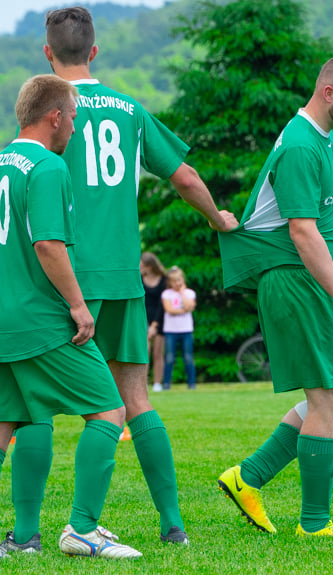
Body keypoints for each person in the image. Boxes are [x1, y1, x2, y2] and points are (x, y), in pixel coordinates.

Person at [13, 7, 238, 546]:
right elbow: (183, 176)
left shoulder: (43, 115)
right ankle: (172, 523)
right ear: (94, 51)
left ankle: (32, 532)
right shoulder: (129, 108)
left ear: (47, 53)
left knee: (28, 409)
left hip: (59, 282)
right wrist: (218, 218)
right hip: (121, 278)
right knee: (134, 401)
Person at [217, 53, 333, 538]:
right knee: (328, 397)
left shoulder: (320, 139)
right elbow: (303, 232)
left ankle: (249, 477)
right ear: (329, 93)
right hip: (293, 276)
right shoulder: (303, 146)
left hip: (305, 278)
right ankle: (314, 523)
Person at [0, 74, 140, 559]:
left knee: (14, 420)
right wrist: (79, 307)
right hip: (40, 318)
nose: (77, 129)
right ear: (55, 116)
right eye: (75, 118)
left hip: (4, 317)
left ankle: (22, 539)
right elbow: (47, 244)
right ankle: (82, 529)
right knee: (109, 410)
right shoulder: (48, 166)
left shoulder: (1, 162)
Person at [161, 266, 197, 390]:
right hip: (171, 331)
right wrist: (184, 310)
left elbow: (190, 306)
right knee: (170, 358)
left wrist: (182, 293)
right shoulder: (166, 294)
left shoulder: (189, 293)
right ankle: (166, 384)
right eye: (174, 281)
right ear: (169, 282)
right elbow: (169, 310)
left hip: (186, 330)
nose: (178, 283)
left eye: (179, 279)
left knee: (188, 358)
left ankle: (191, 384)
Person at [141, 252, 167, 391]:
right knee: (145, 352)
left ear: (149, 266)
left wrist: (154, 325)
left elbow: (163, 304)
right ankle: (142, 383)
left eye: (141, 264)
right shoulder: (139, 279)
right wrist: (146, 324)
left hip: (160, 319)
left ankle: (157, 383)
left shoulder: (164, 279)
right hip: (143, 319)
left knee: (158, 352)